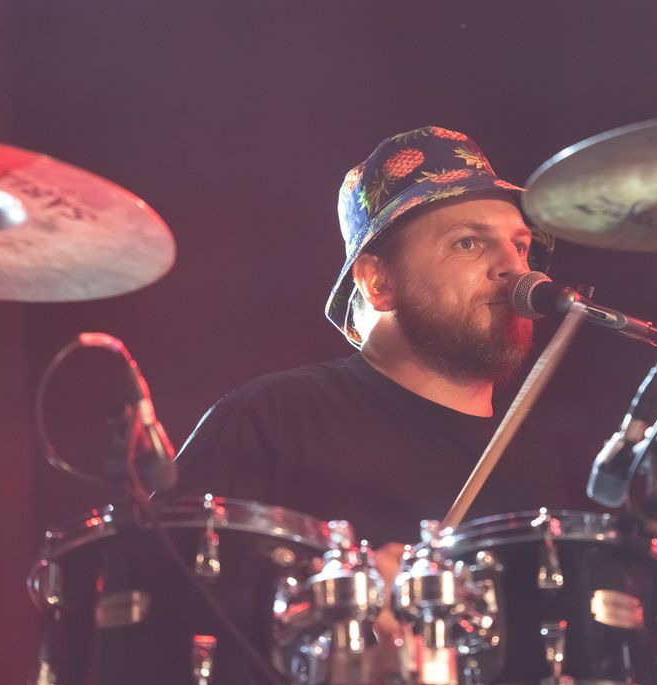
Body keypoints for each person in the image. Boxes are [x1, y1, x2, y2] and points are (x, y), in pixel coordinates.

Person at [174, 126, 599, 549]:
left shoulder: (555, 468)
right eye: (467, 243)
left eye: (521, 247)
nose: (516, 268)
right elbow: (163, 584)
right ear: (378, 282)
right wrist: (341, 589)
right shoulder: (270, 423)